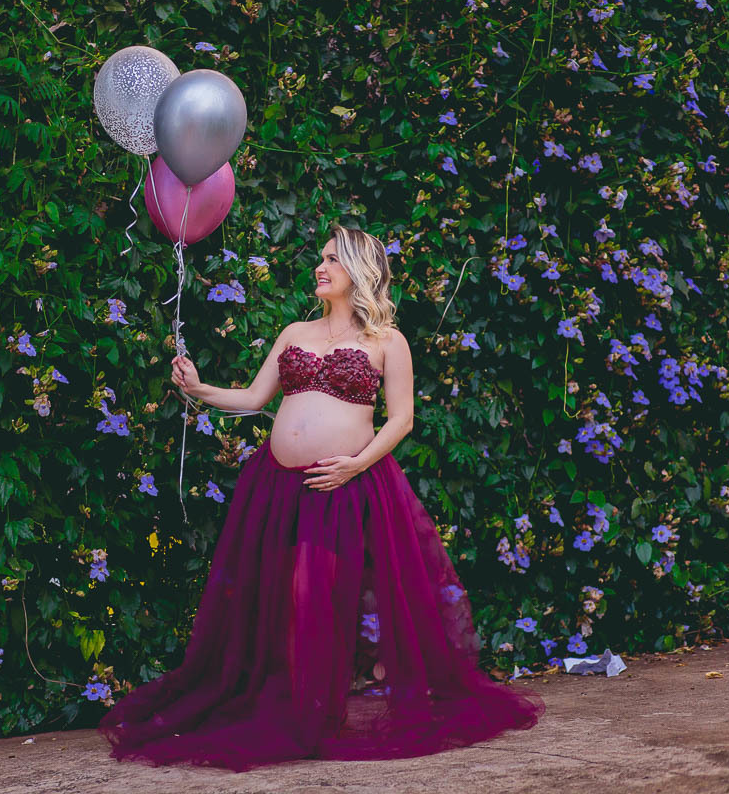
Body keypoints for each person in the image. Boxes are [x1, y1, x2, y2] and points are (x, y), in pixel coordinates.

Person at [97, 224, 545, 771]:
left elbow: (401, 418)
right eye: (322, 257)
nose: (320, 266)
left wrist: (357, 464)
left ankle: (314, 714)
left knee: (317, 591)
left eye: (332, 259)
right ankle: (290, 709)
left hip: (345, 483)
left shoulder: (387, 341)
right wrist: (197, 388)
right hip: (279, 486)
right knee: (279, 594)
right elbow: (254, 397)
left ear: (358, 270)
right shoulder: (293, 332)